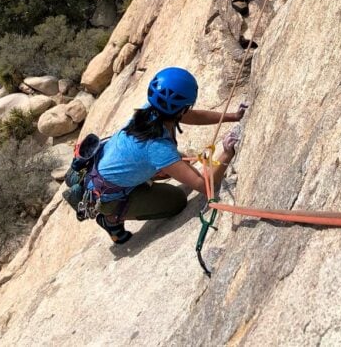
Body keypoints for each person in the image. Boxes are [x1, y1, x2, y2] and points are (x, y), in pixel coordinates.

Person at [92, 67, 244, 244]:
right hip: (109, 195)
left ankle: (143, 178)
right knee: (177, 200)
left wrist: (233, 116)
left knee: (177, 159)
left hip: (108, 170)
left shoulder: (152, 108)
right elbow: (205, 186)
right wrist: (227, 153)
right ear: (182, 108)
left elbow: (193, 117)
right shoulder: (158, 148)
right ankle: (111, 219)